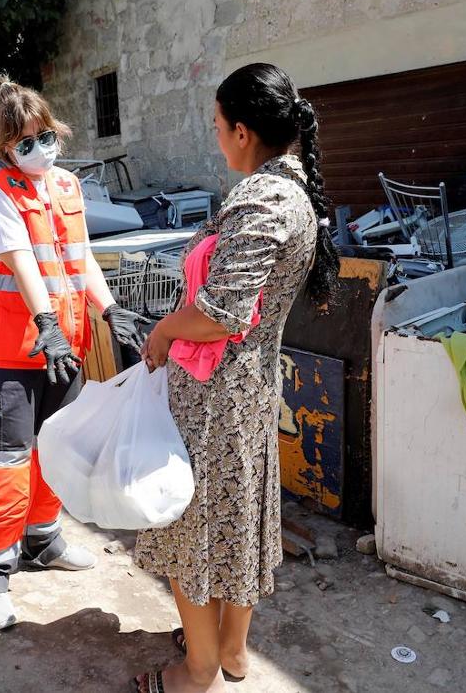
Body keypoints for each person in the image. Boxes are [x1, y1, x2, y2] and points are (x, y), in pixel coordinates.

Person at [131, 63, 340, 692]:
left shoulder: (264, 199)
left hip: (217, 395)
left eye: (219, 127)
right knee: (237, 520)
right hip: (246, 389)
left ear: (243, 132)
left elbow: (220, 313)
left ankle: (197, 673)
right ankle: (230, 651)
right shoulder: (289, 193)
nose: (217, 137)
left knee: (190, 528)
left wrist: (164, 330)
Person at [0, 75, 150, 631]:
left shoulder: (67, 185)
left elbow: (81, 257)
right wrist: (44, 323)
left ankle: (42, 539)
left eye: (45, 136)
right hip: (11, 352)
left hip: (65, 348)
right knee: (5, 464)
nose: (39, 150)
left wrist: (110, 310)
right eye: (25, 143)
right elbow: (20, 260)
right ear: (4, 147)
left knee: (58, 448)